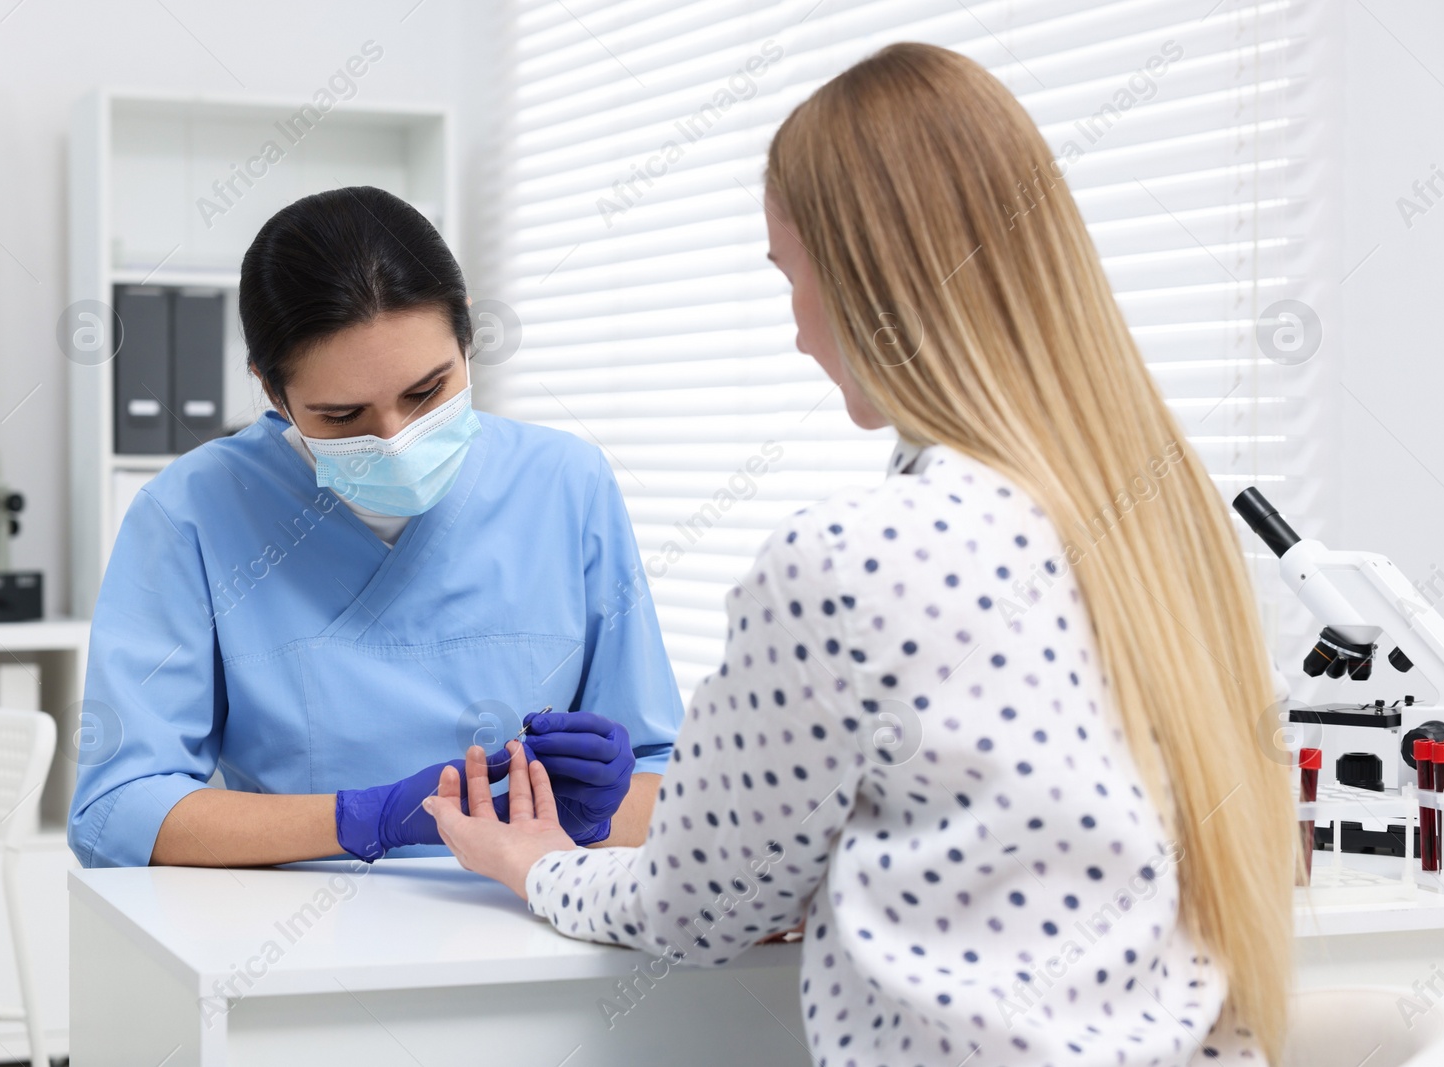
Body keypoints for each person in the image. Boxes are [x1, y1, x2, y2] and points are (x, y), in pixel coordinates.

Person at [423, 43, 1293, 1067]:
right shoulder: (1164, 529)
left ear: (865, 282)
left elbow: (694, 908)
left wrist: (535, 863)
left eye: (790, 277)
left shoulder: (850, 561)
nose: (795, 331)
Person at [68, 187, 683, 869]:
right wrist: (367, 817)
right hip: (293, 941)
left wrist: (587, 814)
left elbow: (669, 785)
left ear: (468, 337)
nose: (394, 439)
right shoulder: (192, 512)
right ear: (272, 392)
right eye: (342, 416)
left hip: (534, 926)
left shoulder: (568, 484)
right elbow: (114, 812)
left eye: (427, 392)